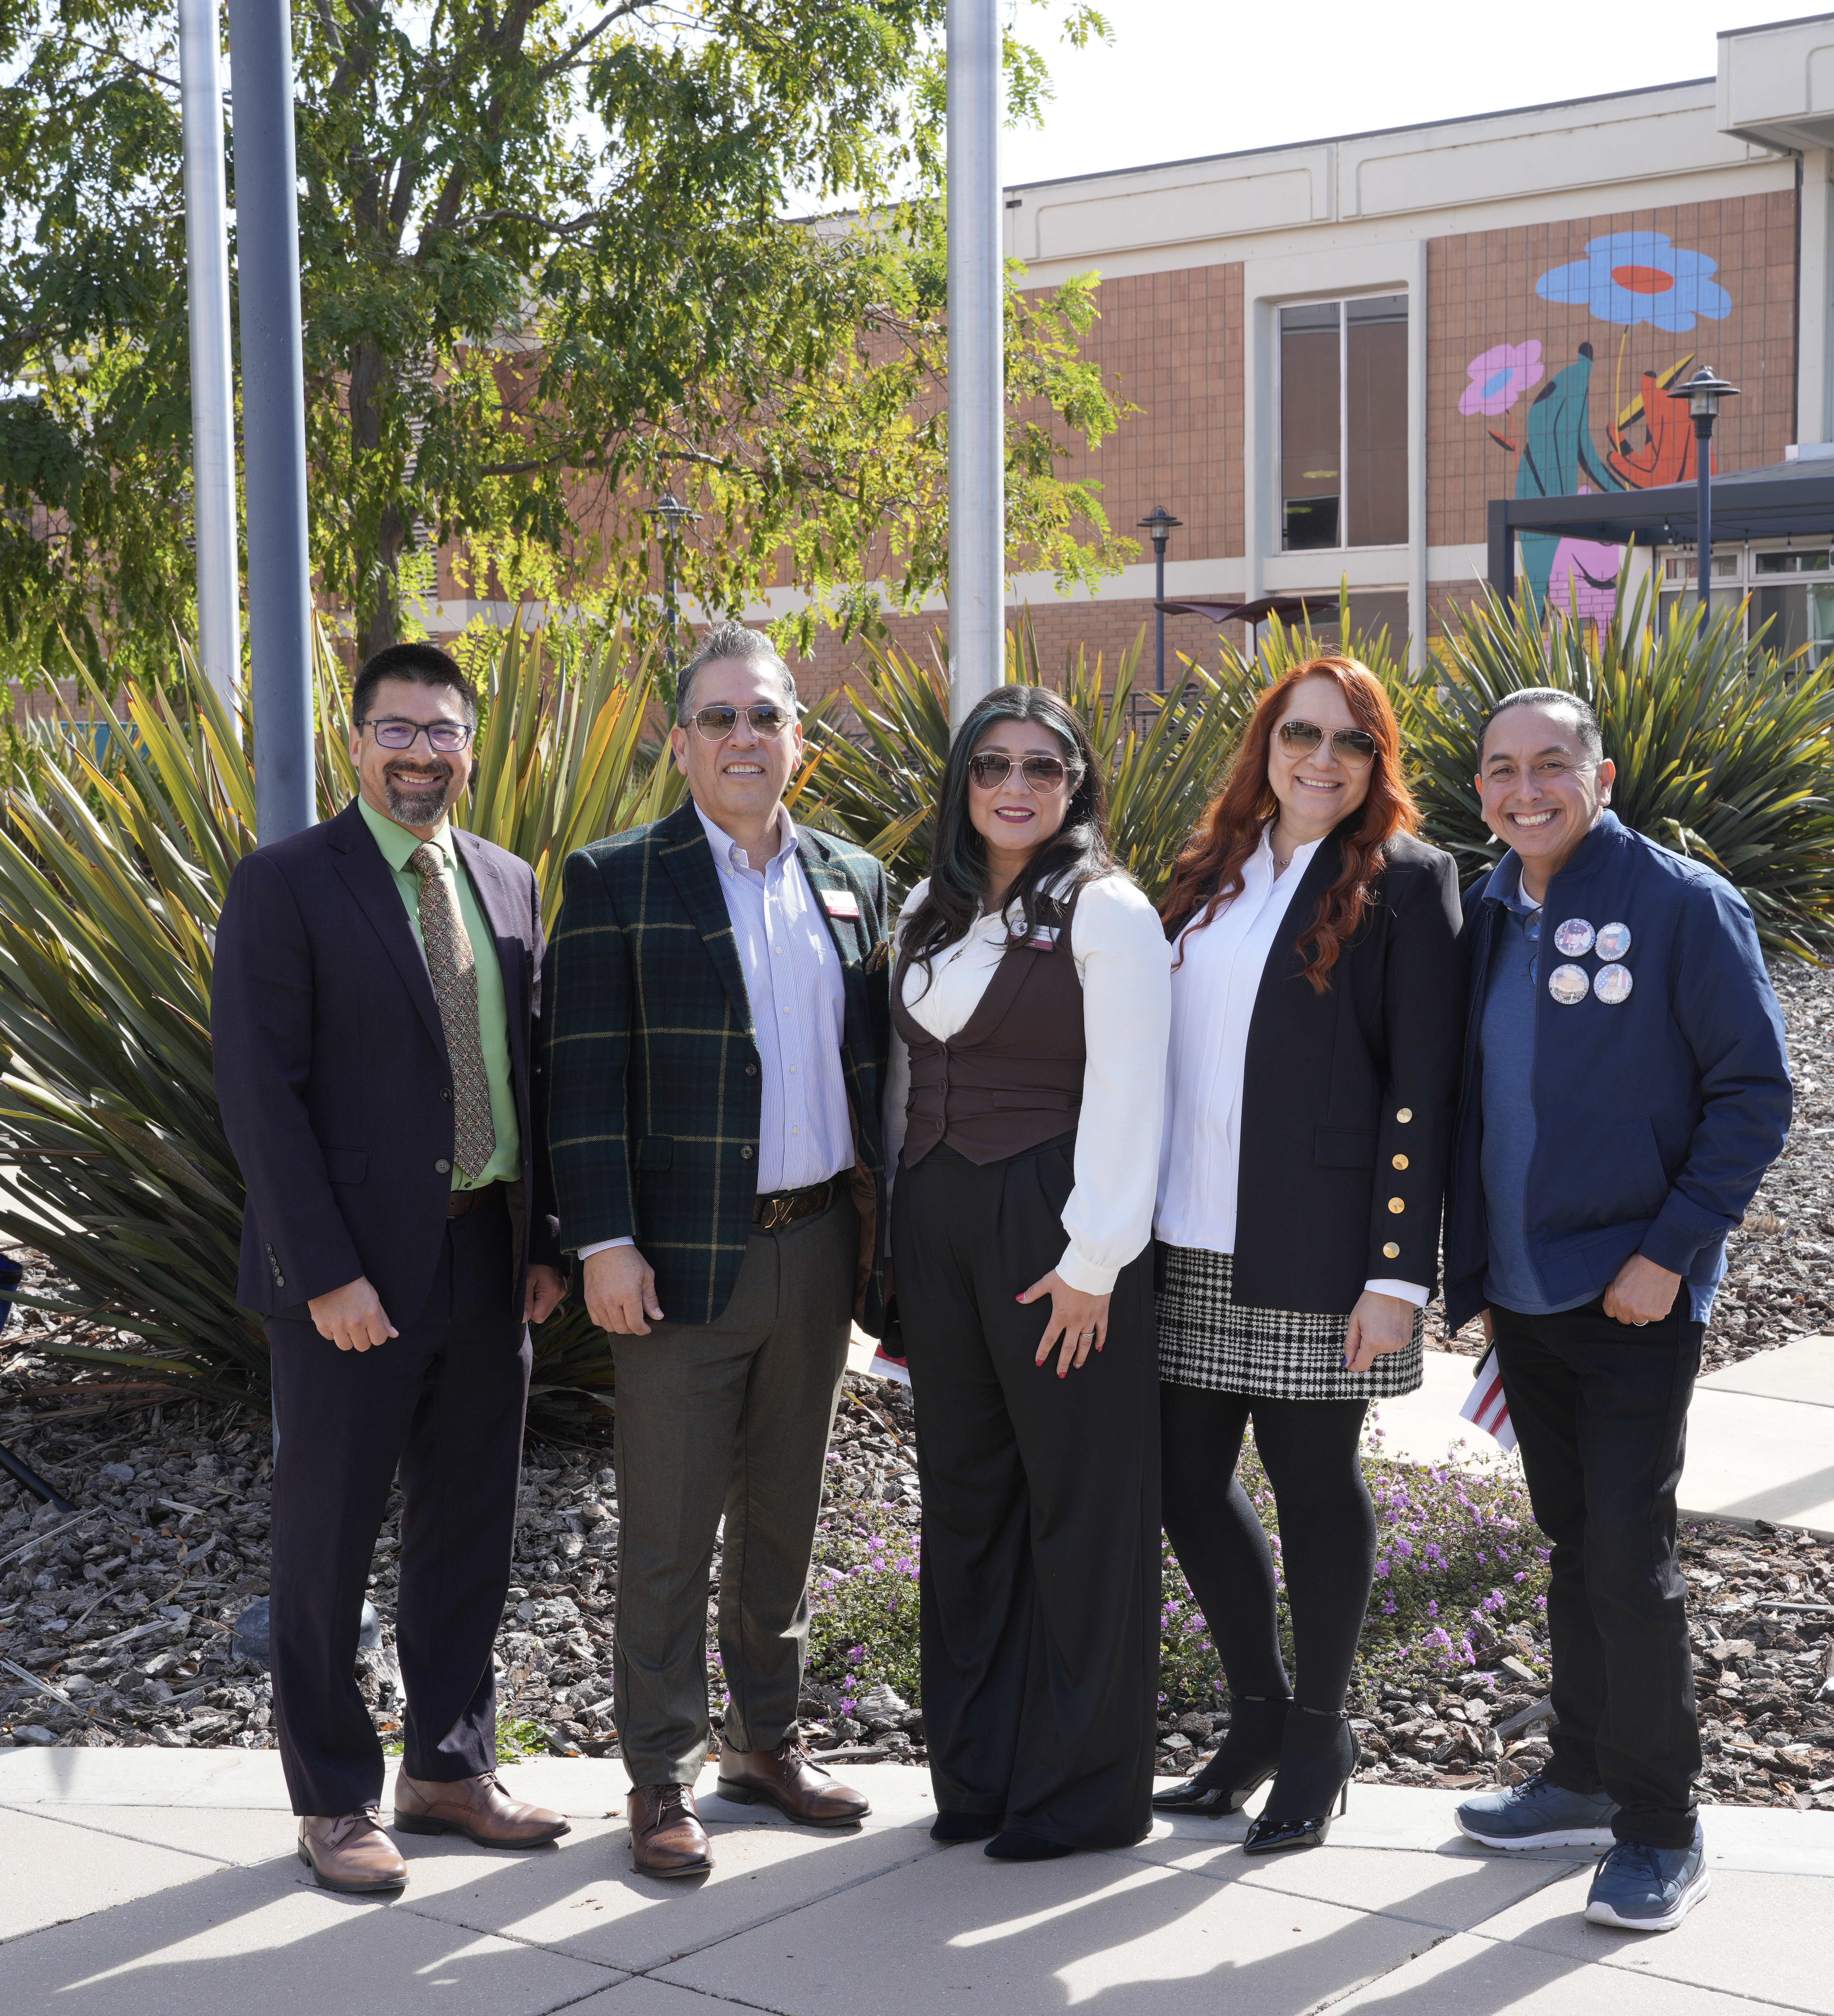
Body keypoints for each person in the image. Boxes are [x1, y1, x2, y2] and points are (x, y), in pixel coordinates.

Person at [212, 640, 572, 1894]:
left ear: (470, 746)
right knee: (329, 1536)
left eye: (443, 732)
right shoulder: (287, 884)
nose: (422, 753)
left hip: (487, 1257)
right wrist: (326, 1276)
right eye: (398, 730)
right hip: (350, 1278)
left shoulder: (511, 883)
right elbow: (264, 1098)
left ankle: (448, 1766)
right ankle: (331, 1798)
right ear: (354, 743)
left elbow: (529, 1073)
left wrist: (542, 1248)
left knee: (470, 1524)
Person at [543, 621, 894, 1879]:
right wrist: (602, 1244)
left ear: (800, 737)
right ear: (680, 743)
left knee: (784, 1519)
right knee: (670, 1529)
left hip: (818, 1248)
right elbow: (579, 1084)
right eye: (719, 719)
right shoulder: (617, 879)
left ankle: (763, 1742)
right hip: (680, 1264)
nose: (745, 738)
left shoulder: (854, 879)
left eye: (767, 717)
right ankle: (658, 1774)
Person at [1447, 687, 1791, 1935]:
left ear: (1599, 774)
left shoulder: (1683, 904)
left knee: (1631, 1564)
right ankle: (1582, 1773)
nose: (1524, 789)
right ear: (1477, 788)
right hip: (1525, 1294)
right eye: (1501, 769)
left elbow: (1754, 1097)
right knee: (1572, 1543)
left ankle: (1660, 1825)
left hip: (1634, 1296)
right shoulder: (1486, 910)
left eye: (1550, 764)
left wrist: (1667, 1254)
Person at [1147, 657, 1468, 1855]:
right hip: (1186, 1233)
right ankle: (1260, 1717)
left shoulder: (1406, 881)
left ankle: (1322, 1729)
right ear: (1265, 746)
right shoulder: (1208, 875)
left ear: (1377, 761)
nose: (1320, 760)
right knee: (1182, 1485)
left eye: (1348, 742)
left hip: (1322, 1248)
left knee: (1314, 1486)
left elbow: (1426, 1089)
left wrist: (1397, 1276)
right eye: (1300, 735)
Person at [885, 682, 1171, 1861]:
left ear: (1076, 785)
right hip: (937, 1219)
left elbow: (1131, 1091)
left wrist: (1094, 1260)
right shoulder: (925, 908)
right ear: (963, 782)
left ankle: (1082, 1795)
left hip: (1056, 1228)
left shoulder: (1108, 911)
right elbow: (903, 1082)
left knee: (1082, 1512)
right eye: (992, 765)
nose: (1015, 787)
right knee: (965, 1503)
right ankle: (981, 1778)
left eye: (1043, 768)